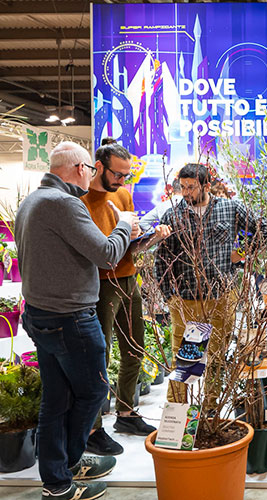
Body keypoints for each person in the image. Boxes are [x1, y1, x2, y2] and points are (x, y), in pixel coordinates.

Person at [15, 141, 136, 500]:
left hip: (42, 315)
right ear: (82, 169)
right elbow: (107, 253)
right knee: (94, 390)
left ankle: (57, 475)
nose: (93, 176)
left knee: (57, 397)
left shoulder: (33, 200)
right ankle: (63, 469)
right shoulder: (65, 204)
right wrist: (125, 224)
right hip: (69, 319)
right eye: (91, 169)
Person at [154, 163, 267, 407]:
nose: (186, 193)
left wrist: (243, 252)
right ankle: (176, 416)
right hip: (184, 301)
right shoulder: (173, 215)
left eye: (191, 187)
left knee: (216, 358)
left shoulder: (230, 208)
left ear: (206, 185)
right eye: (182, 187)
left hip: (221, 297)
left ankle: (211, 408)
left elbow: (265, 229)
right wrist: (169, 297)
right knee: (183, 363)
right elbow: (162, 259)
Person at [81, 141, 170, 454]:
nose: (122, 181)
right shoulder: (80, 200)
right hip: (100, 284)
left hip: (128, 277)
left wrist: (152, 239)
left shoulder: (123, 194)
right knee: (99, 355)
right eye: (118, 174)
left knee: (135, 346)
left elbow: (128, 248)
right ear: (99, 167)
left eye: (127, 175)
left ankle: (126, 413)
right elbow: (98, 252)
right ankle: (93, 427)